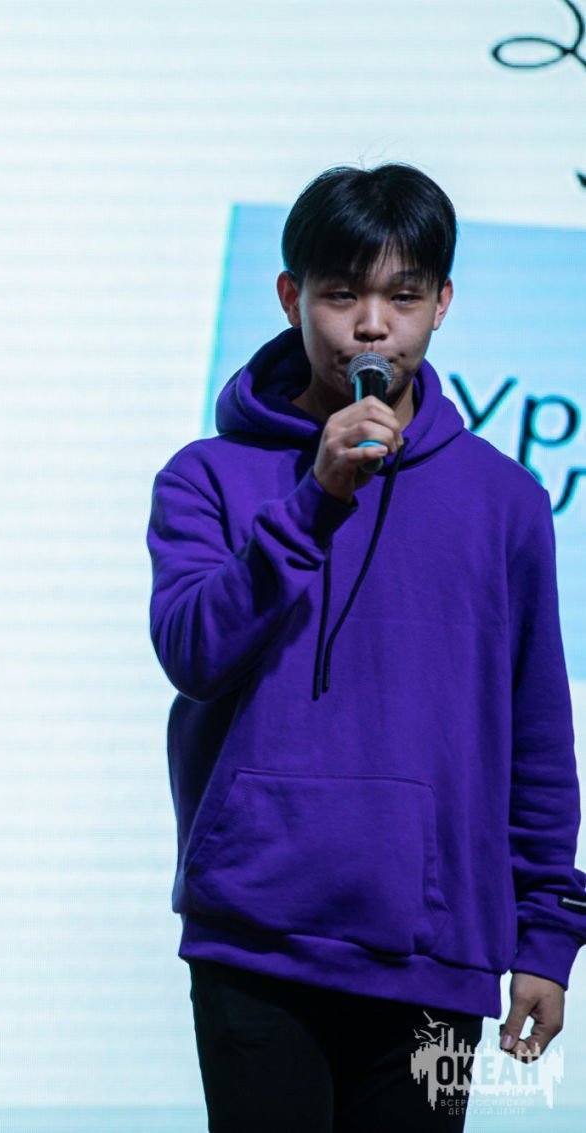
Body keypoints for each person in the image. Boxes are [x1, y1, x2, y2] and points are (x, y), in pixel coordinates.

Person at [148, 164, 586, 1130]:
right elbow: (192, 650)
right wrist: (316, 499)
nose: (373, 326)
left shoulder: (507, 502)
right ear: (290, 296)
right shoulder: (207, 477)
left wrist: (549, 934)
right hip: (255, 938)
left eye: (404, 296)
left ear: (443, 304)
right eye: (343, 295)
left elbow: (536, 736)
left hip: (439, 950)